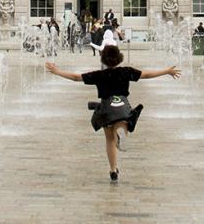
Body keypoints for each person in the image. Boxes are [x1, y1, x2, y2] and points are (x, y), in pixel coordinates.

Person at [45, 45, 181, 182]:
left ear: (103, 59)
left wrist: (57, 71)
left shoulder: (99, 75)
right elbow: (146, 74)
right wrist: (166, 71)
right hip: (122, 106)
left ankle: (113, 169)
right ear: (119, 59)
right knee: (121, 124)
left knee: (109, 140)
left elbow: (76, 77)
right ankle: (122, 131)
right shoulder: (126, 71)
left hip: (106, 109)